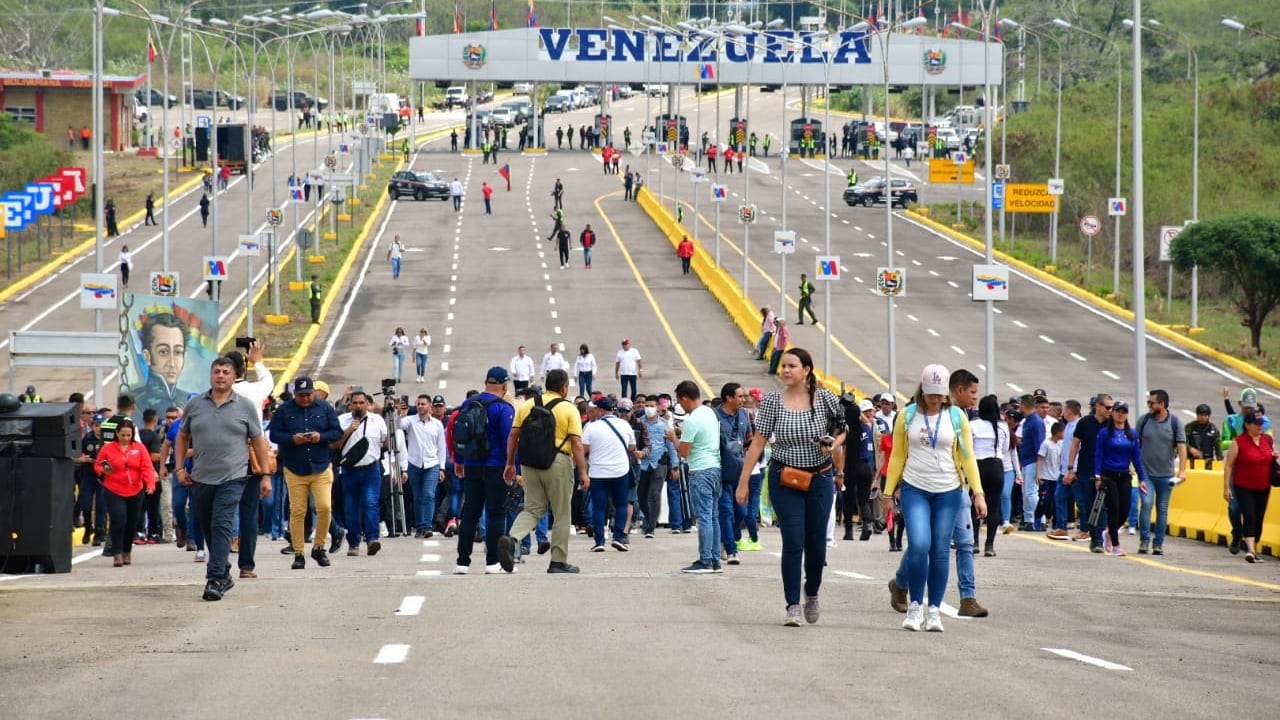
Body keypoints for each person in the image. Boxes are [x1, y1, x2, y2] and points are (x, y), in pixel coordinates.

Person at [736, 348, 846, 625]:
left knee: (817, 543)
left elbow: (843, 428)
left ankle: (812, 592)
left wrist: (833, 443)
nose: (785, 371)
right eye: (783, 366)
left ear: (806, 369)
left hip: (820, 478)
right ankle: (792, 604)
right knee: (793, 541)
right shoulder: (773, 401)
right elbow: (759, 442)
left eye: (792, 366)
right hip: (784, 478)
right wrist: (744, 481)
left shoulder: (826, 400)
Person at [883, 364, 985, 632]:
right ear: (922, 390)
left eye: (940, 395)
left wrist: (978, 493)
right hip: (915, 487)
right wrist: (887, 492)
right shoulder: (907, 416)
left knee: (940, 551)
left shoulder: (956, 417)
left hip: (948, 490)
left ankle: (934, 611)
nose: (935, 399)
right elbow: (897, 455)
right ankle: (915, 607)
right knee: (918, 544)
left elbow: (967, 456)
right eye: (930, 394)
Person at [175, 357, 273, 601]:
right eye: (217, 371)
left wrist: (265, 475)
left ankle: (215, 578)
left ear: (233, 376)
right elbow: (182, 437)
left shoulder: (246, 406)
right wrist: (179, 468)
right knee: (208, 527)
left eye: (226, 372)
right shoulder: (195, 405)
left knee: (222, 524)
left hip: (233, 477)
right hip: (201, 477)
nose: (220, 375)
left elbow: (259, 442)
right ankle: (224, 571)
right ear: (211, 376)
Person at [499, 368, 586, 574]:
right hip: (558, 462)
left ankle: (512, 540)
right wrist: (583, 472)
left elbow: (513, 437)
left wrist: (510, 464)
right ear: (564, 387)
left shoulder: (527, 405)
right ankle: (558, 561)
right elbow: (576, 442)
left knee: (533, 508)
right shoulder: (568, 408)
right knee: (562, 513)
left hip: (530, 463)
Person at [268, 376, 343, 570]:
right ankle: (299, 552)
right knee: (298, 511)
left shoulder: (325, 408)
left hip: (321, 465)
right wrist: (293, 439)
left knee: (325, 507)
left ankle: (319, 547)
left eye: (308, 395)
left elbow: (337, 432)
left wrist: (321, 437)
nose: (305, 399)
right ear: (294, 394)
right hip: (294, 467)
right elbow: (274, 434)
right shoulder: (285, 410)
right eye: (301, 396)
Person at [454, 367, 516, 574]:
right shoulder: (504, 408)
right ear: (505, 385)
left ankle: (462, 561)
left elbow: (460, 432)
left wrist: (459, 460)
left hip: (472, 464)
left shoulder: (468, 403)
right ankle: (492, 562)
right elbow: (509, 440)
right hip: (496, 466)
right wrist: (511, 465)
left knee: (470, 512)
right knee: (496, 513)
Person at [672, 380, 722, 574]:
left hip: (700, 470)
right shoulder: (710, 412)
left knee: (704, 517)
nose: (681, 406)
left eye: (680, 401)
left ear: (685, 398)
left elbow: (684, 451)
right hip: (715, 467)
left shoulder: (692, 419)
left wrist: (674, 437)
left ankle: (705, 560)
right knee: (713, 516)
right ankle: (715, 559)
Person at [94, 418, 157, 567]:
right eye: (123, 435)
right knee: (118, 520)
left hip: (135, 489)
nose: (126, 438)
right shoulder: (108, 449)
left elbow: (146, 467)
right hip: (114, 489)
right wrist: (103, 469)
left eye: (129, 435)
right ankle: (117, 553)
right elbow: (97, 465)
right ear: (117, 433)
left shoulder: (139, 448)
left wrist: (150, 484)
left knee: (131, 522)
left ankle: (127, 551)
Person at [336, 391, 389, 557]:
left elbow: (385, 441)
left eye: (361, 403)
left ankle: (372, 539)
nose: (358, 406)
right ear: (350, 404)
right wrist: (348, 431)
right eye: (355, 403)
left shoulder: (377, 420)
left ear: (367, 404)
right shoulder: (342, 420)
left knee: (370, 503)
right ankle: (353, 543)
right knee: (351, 508)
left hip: (370, 469)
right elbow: (335, 445)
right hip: (349, 470)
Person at [1136, 389, 1188, 555]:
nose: (1149, 406)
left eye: (1152, 403)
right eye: (1148, 403)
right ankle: (1144, 541)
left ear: (1162, 404)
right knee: (1146, 504)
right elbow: (1134, 444)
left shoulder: (1174, 422)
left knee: (1162, 509)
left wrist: (1182, 471)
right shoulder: (1143, 421)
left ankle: (1158, 543)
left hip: (1166, 475)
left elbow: (1181, 446)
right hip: (1146, 473)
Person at [582, 397, 637, 552]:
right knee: (621, 505)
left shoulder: (592, 427)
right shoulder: (624, 425)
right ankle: (618, 537)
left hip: (598, 473)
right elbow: (632, 446)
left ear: (600, 410)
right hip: (620, 471)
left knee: (599, 507)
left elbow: (583, 449)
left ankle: (599, 541)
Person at [1093, 401, 1147, 556]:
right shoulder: (1104, 433)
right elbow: (1098, 454)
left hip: (1124, 475)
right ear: (1113, 412)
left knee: (1125, 508)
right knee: (1114, 507)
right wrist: (1097, 476)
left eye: (1124, 411)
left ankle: (1109, 533)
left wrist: (1142, 478)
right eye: (1118, 411)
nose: (1120, 414)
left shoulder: (1132, 434)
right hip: (1108, 474)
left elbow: (1136, 457)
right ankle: (1116, 545)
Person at [1222, 410, 1277, 564]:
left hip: (1264, 485)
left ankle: (1254, 548)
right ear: (1247, 425)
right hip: (1243, 486)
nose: (1260, 427)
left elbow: (1270, 457)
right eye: (1256, 424)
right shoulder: (1239, 442)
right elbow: (1229, 466)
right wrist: (1226, 487)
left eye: (1261, 424)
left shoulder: (1267, 440)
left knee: (1259, 518)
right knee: (1249, 515)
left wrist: (1274, 457)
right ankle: (1250, 550)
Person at [1066, 394, 1112, 550]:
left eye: (1111, 407)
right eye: (1107, 407)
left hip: (1106, 471)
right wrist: (1071, 468)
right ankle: (1094, 535)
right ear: (1097, 406)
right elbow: (1074, 446)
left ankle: (1099, 539)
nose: (1110, 410)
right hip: (1086, 470)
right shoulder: (1084, 423)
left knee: (1103, 506)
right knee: (1088, 506)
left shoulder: (1112, 424)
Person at [400, 394, 447, 539]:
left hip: (432, 464)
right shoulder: (410, 421)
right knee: (418, 497)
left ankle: (427, 526)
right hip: (414, 463)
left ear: (429, 406)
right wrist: (400, 414)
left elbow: (441, 447)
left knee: (429, 495)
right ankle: (420, 526)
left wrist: (442, 467)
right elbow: (398, 426)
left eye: (423, 404)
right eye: (418, 404)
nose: (420, 407)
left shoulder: (437, 424)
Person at [716, 383, 752, 565]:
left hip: (741, 472)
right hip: (721, 472)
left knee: (741, 513)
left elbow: (750, 439)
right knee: (726, 511)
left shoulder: (744, 415)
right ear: (729, 398)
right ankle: (731, 550)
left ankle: (726, 538)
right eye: (740, 396)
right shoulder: (714, 416)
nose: (743, 400)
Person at [132, 312, 194, 414]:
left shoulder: (191, 402)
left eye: (178, 352)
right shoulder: (134, 403)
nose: (172, 363)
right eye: (163, 352)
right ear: (147, 356)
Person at [1186, 404, 1222, 470]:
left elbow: (1218, 448)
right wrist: (1190, 449)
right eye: (1200, 415)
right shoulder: (1189, 427)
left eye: (1205, 415)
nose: (1202, 417)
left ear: (1208, 416)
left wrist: (1220, 463)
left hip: (1208, 462)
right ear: (1197, 415)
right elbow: (1182, 442)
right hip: (1191, 461)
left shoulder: (1214, 429)